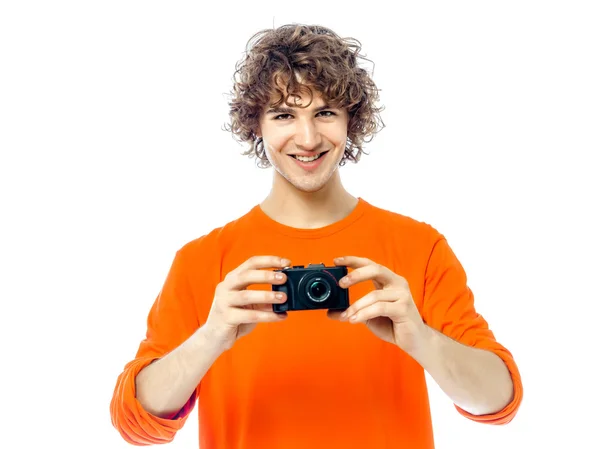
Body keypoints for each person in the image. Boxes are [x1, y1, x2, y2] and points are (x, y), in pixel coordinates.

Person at [110, 23, 523, 448]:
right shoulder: (202, 261)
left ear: (351, 120)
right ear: (257, 124)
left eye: (325, 113)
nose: (307, 139)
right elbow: (134, 420)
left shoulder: (419, 246)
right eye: (284, 114)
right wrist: (211, 337)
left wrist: (420, 338)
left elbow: (498, 399)